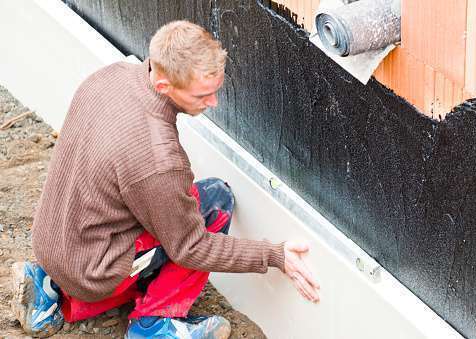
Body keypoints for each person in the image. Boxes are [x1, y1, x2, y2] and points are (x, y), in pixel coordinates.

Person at [11, 20, 320, 338]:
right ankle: (154, 324)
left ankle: (51, 292)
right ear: (163, 86)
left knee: (161, 215)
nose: (213, 103)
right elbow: (191, 248)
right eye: (203, 95)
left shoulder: (109, 76)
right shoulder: (158, 161)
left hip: (54, 243)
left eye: (216, 89)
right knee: (214, 202)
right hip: (93, 271)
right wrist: (274, 255)